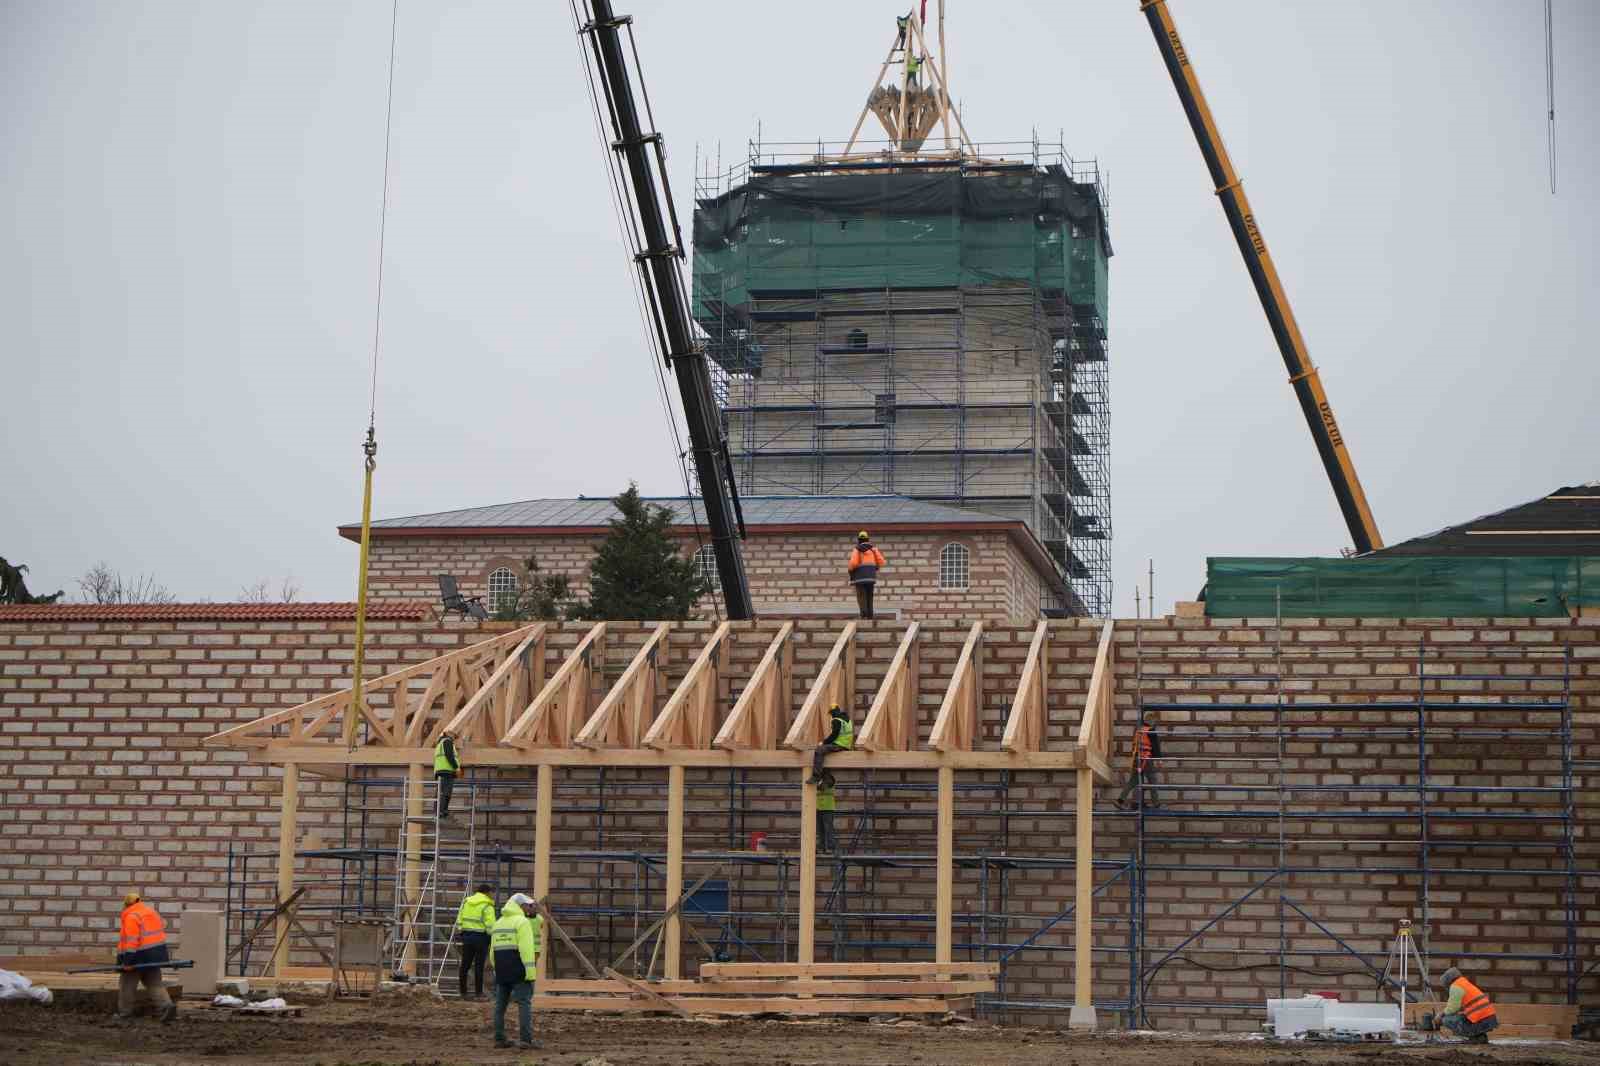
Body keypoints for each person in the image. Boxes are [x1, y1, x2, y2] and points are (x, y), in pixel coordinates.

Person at [489, 892, 544, 1050]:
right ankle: (526, 1040)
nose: (529, 908)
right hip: (519, 969)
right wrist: (530, 972)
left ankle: (499, 1039)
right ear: (521, 906)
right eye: (527, 905)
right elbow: (526, 949)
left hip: (502, 970)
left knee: (500, 1006)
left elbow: (492, 951)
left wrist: (496, 969)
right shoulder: (522, 922)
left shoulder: (498, 923)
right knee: (524, 1003)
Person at [117, 892, 176, 1022]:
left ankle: (125, 1014)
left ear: (127, 904)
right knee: (154, 983)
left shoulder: (132, 916)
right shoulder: (151, 912)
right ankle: (166, 1006)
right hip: (156, 956)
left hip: (138, 957)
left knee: (127, 984)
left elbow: (132, 941)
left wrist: (127, 961)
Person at [455, 883, 496, 1000]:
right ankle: (478, 994)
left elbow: (459, 919)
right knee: (479, 966)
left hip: (467, 937)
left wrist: (461, 931)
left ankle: (463, 993)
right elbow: (490, 926)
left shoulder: (467, 902)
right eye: (492, 892)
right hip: (481, 938)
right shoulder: (487, 906)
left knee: (465, 965)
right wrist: (492, 937)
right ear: (487, 893)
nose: (492, 895)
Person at [1437, 965, 1498, 1043]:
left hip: (1481, 1020)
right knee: (1460, 1017)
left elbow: (1452, 1008)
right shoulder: (1463, 982)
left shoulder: (1455, 986)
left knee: (1446, 1020)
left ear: (1448, 982)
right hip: (1489, 1019)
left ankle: (1473, 1036)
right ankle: (1479, 1037)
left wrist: (1440, 1016)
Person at [1114, 721, 1161, 810]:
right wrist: (1159, 760)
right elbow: (1156, 747)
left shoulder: (1139, 730)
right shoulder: (1151, 730)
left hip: (1137, 759)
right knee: (1152, 781)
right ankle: (1156, 803)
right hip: (1146, 759)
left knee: (1132, 781)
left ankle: (1120, 801)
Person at [806, 702, 853, 785]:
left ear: (832, 713)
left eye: (831, 713)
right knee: (825, 755)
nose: (831, 715)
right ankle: (827, 778)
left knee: (819, 751)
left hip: (839, 744)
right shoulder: (846, 718)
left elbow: (834, 735)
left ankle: (816, 777)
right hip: (846, 744)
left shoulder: (836, 720)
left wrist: (823, 742)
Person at [847, 531, 887, 620]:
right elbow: (881, 561)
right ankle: (870, 615)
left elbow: (853, 563)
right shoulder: (873, 549)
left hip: (860, 578)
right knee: (869, 596)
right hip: (871, 578)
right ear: (867, 539)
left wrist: (850, 570)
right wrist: (875, 567)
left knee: (862, 596)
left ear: (859, 540)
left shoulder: (857, 549)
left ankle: (863, 615)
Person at [434, 730, 460, 818]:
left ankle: (442, 811)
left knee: (444, 793)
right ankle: (441, 812)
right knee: (445, 793)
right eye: (454, 735)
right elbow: (449, 756)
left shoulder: (441, 743)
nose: (454, 738)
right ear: (448, 733)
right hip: (446, 771)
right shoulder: (447, 741)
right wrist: (456, 767)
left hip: (443, 771)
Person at [816, 771, 839, 853]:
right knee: (820, 829)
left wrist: (817, 784)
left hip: (828, 808)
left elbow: (823, 787)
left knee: (828, 828)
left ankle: (831, 847)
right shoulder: (818, 779)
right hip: (818, 808)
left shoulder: (829, 779)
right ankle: (821, 847)